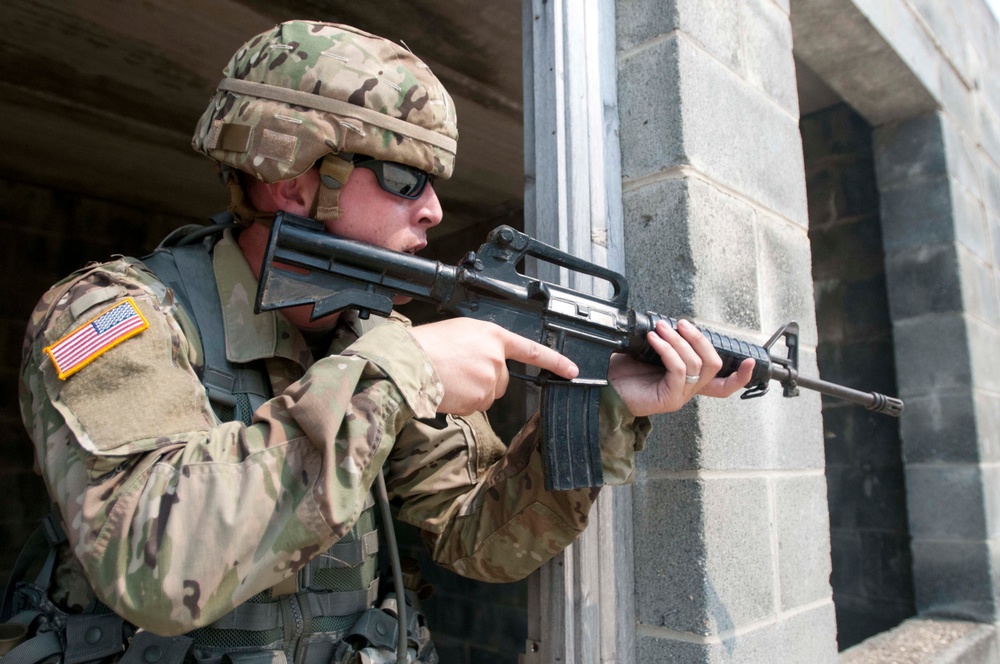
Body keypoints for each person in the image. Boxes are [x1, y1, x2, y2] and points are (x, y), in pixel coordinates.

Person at [10, 20, 754, 664]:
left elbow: (483, 538)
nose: (432, 210)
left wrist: (607, 407)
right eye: (404, 177)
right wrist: (397, 377)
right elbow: (152, 562)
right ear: (294, 180)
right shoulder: (113, 317)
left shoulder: (371, 334)